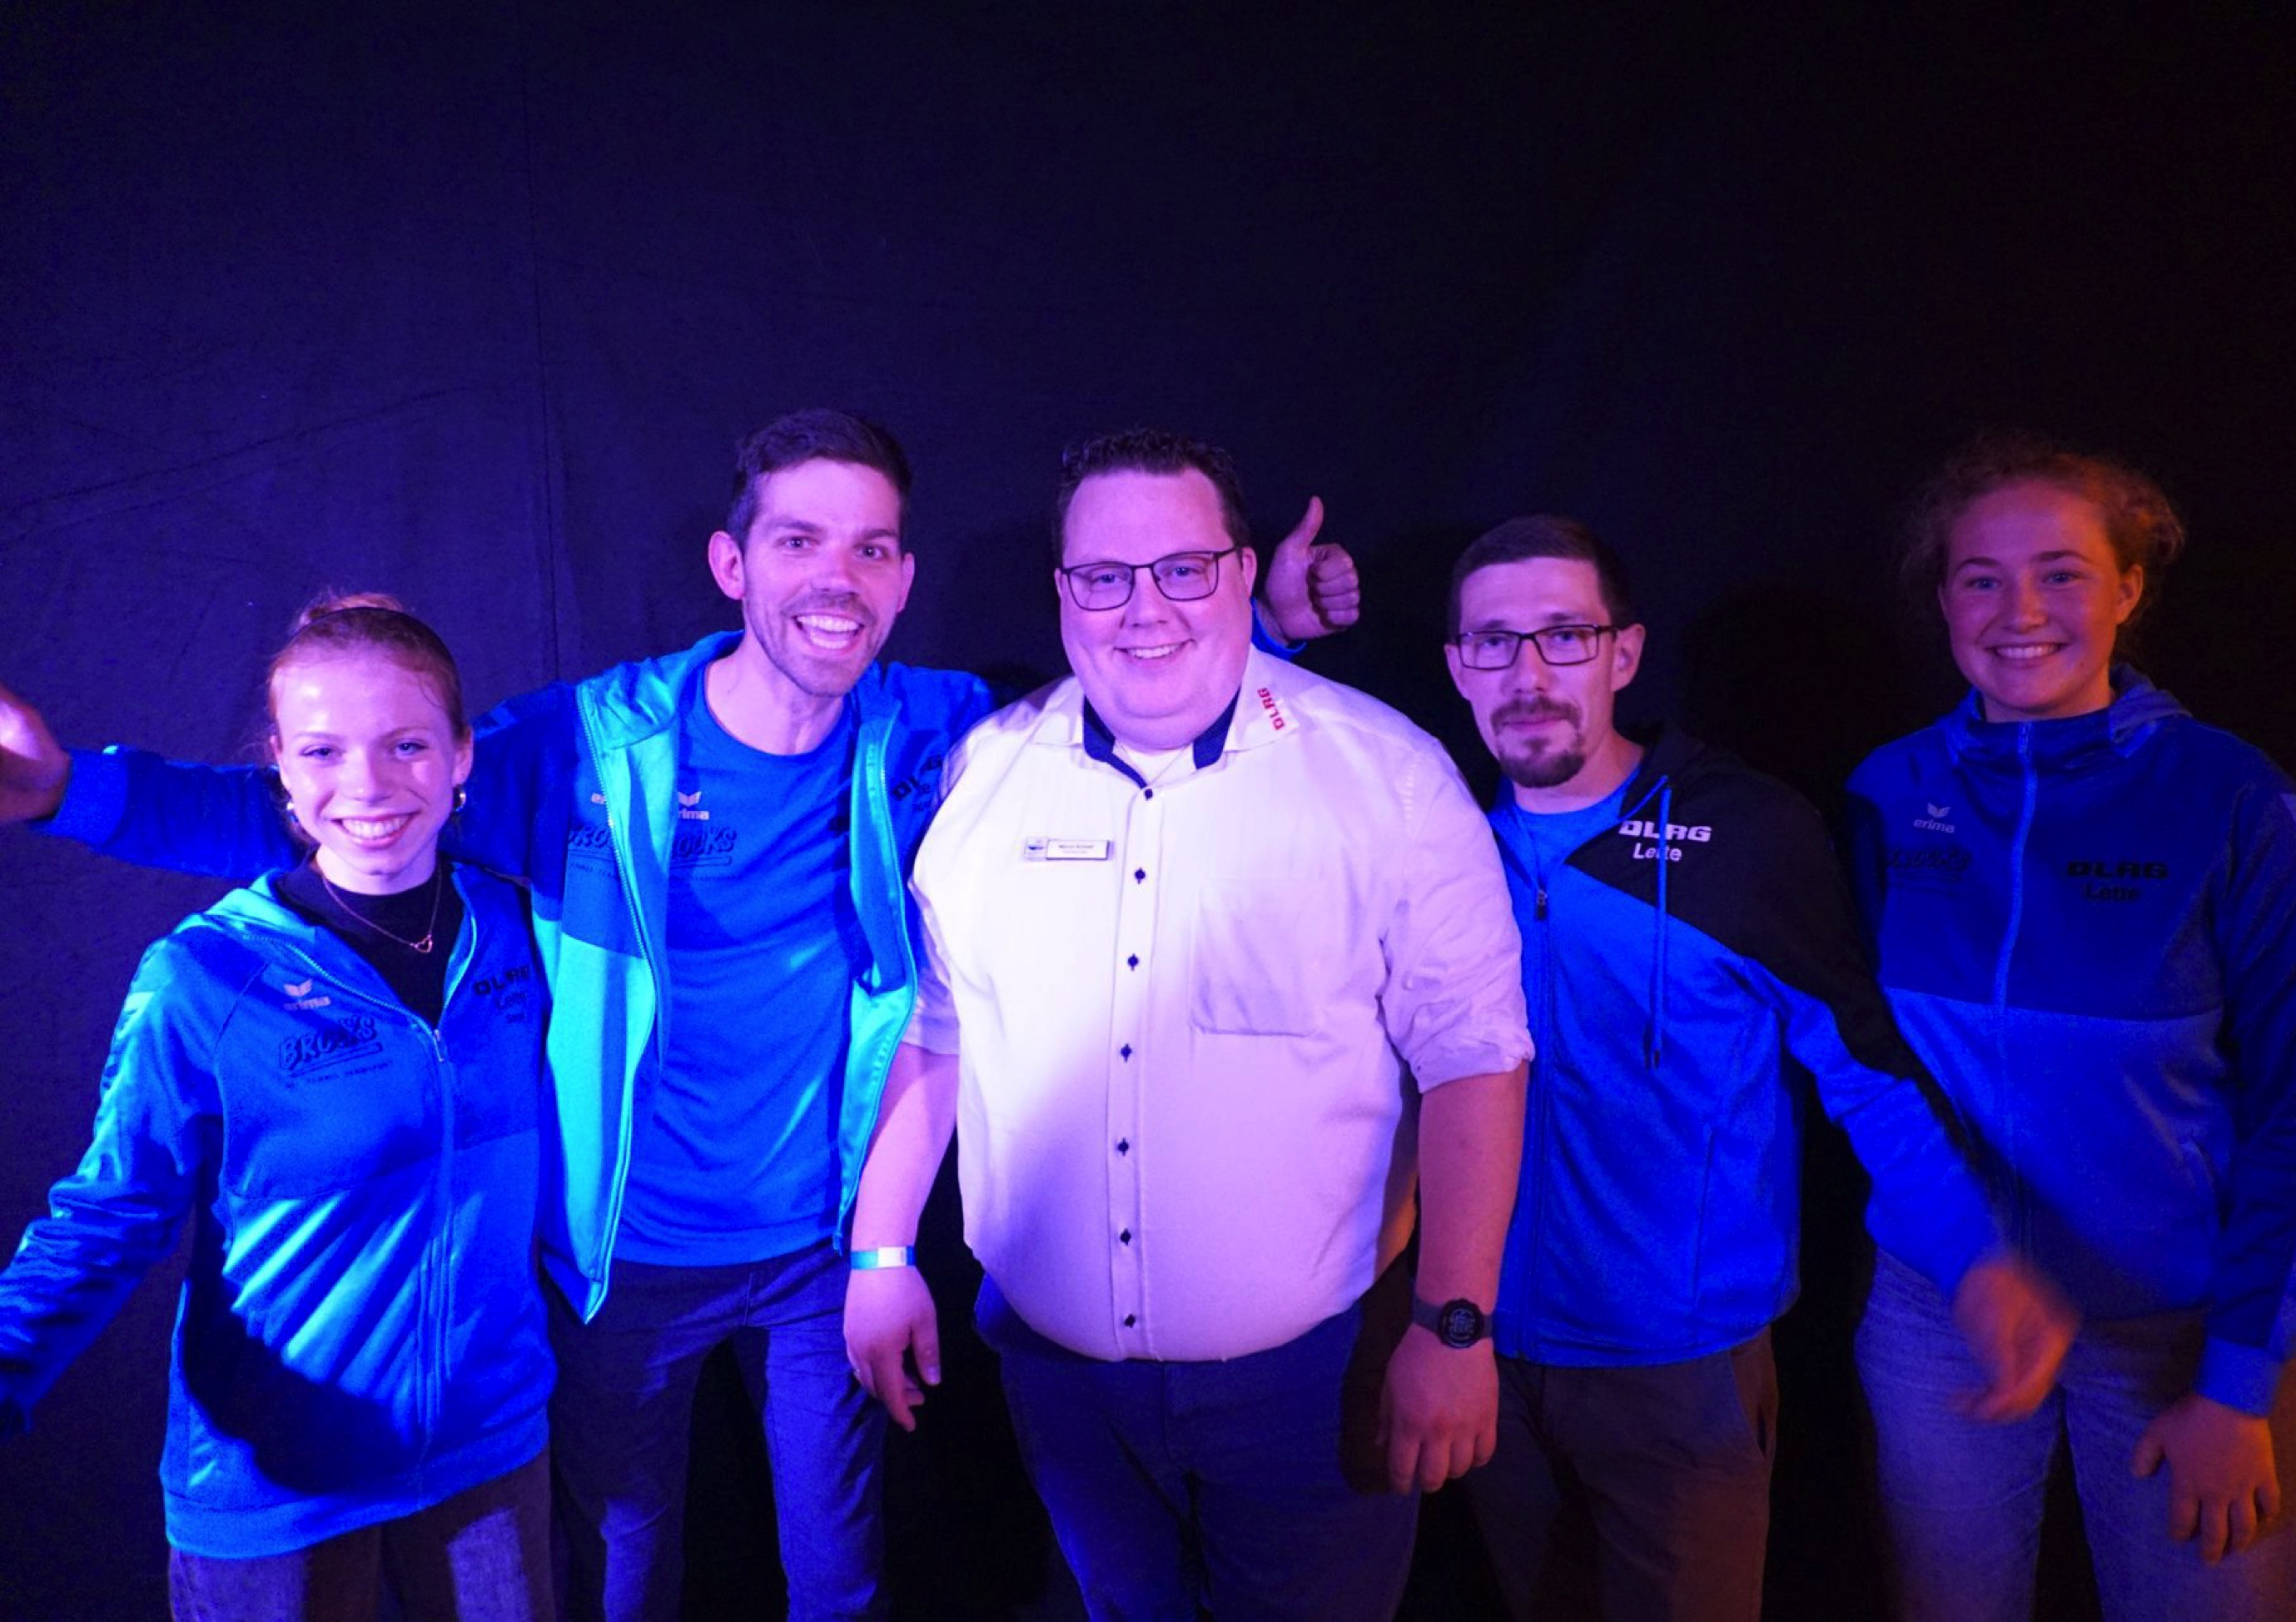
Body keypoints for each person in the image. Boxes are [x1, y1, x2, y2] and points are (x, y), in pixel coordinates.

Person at [0, 410, 1359, 1621]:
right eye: (798, 540)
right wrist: (69, 790)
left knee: (841, 1577)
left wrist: (1268, 632)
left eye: (872, 547)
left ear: (902, 576)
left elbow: (1110, 708)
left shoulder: (931, 730)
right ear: (732, 564)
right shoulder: (593, 745)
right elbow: (331, 802)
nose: (837, 577)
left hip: (821, 1250)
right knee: (622, 1573)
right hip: (625, 1260)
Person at [843, 427, 1533, 1620]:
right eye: (1104, 576)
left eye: (1182, 568)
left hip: (1312, 1386)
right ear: (1062, 590)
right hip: (1061, 1391)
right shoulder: (982, 776)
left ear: (1241, 571)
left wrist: (1455, 1327)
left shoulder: (1388, 777)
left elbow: (1475, 1060)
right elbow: (941, 1031)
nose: (1143, 608)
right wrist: (880, 1250)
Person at [1435, 515, 2075, 1622]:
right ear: (1455, 664)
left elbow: (1864, 1071)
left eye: (1564, 636)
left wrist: (1975, 1258)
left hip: (1679, 1372)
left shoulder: (1745, 833)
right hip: (1476, 1348)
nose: (1527, 676)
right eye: (1493, 642)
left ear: (1623, 653)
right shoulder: (1431, 834)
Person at [1846, 435, 2296, 1622]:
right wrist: (1967, 1262)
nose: (2019, 611)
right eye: (1981, 578)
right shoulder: (1886, 793)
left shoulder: (2234, 801)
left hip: (2184, 1328)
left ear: (2127, 588)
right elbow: (1864, 1062)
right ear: (1942, 600)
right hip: (1941, 1310)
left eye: (2062, 573)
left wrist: (2238, 1383)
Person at [0, 595, 553, 1620]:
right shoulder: (206, 977)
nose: (368, 786)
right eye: (323, 751)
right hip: (281, 1481)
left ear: (462, 754)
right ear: (281, 770)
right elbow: (108, 1215)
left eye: (406, 745)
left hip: (489, 1446)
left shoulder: (525, 930)